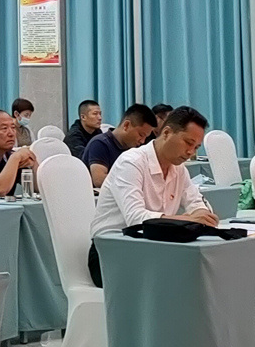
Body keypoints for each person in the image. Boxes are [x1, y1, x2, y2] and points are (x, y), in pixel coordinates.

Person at [89, 106, 218, 281]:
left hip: (155, 249)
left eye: (196, 147)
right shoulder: (131, 163)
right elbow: (136, 218)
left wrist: (202, 214)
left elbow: (196, 202)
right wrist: (188, 219)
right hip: (112, 253)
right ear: (166, 133)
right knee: (183, 278)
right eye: (188, 143)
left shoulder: (179, 169)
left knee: (206, 272)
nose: (191, 152)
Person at [85, 104, 157, 189]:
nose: (142, 141)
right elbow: (99, 180)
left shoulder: (135, 148)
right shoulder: (100, 144)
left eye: (146, 137)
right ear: (126, 125)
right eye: (141, 135)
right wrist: (134, 181)